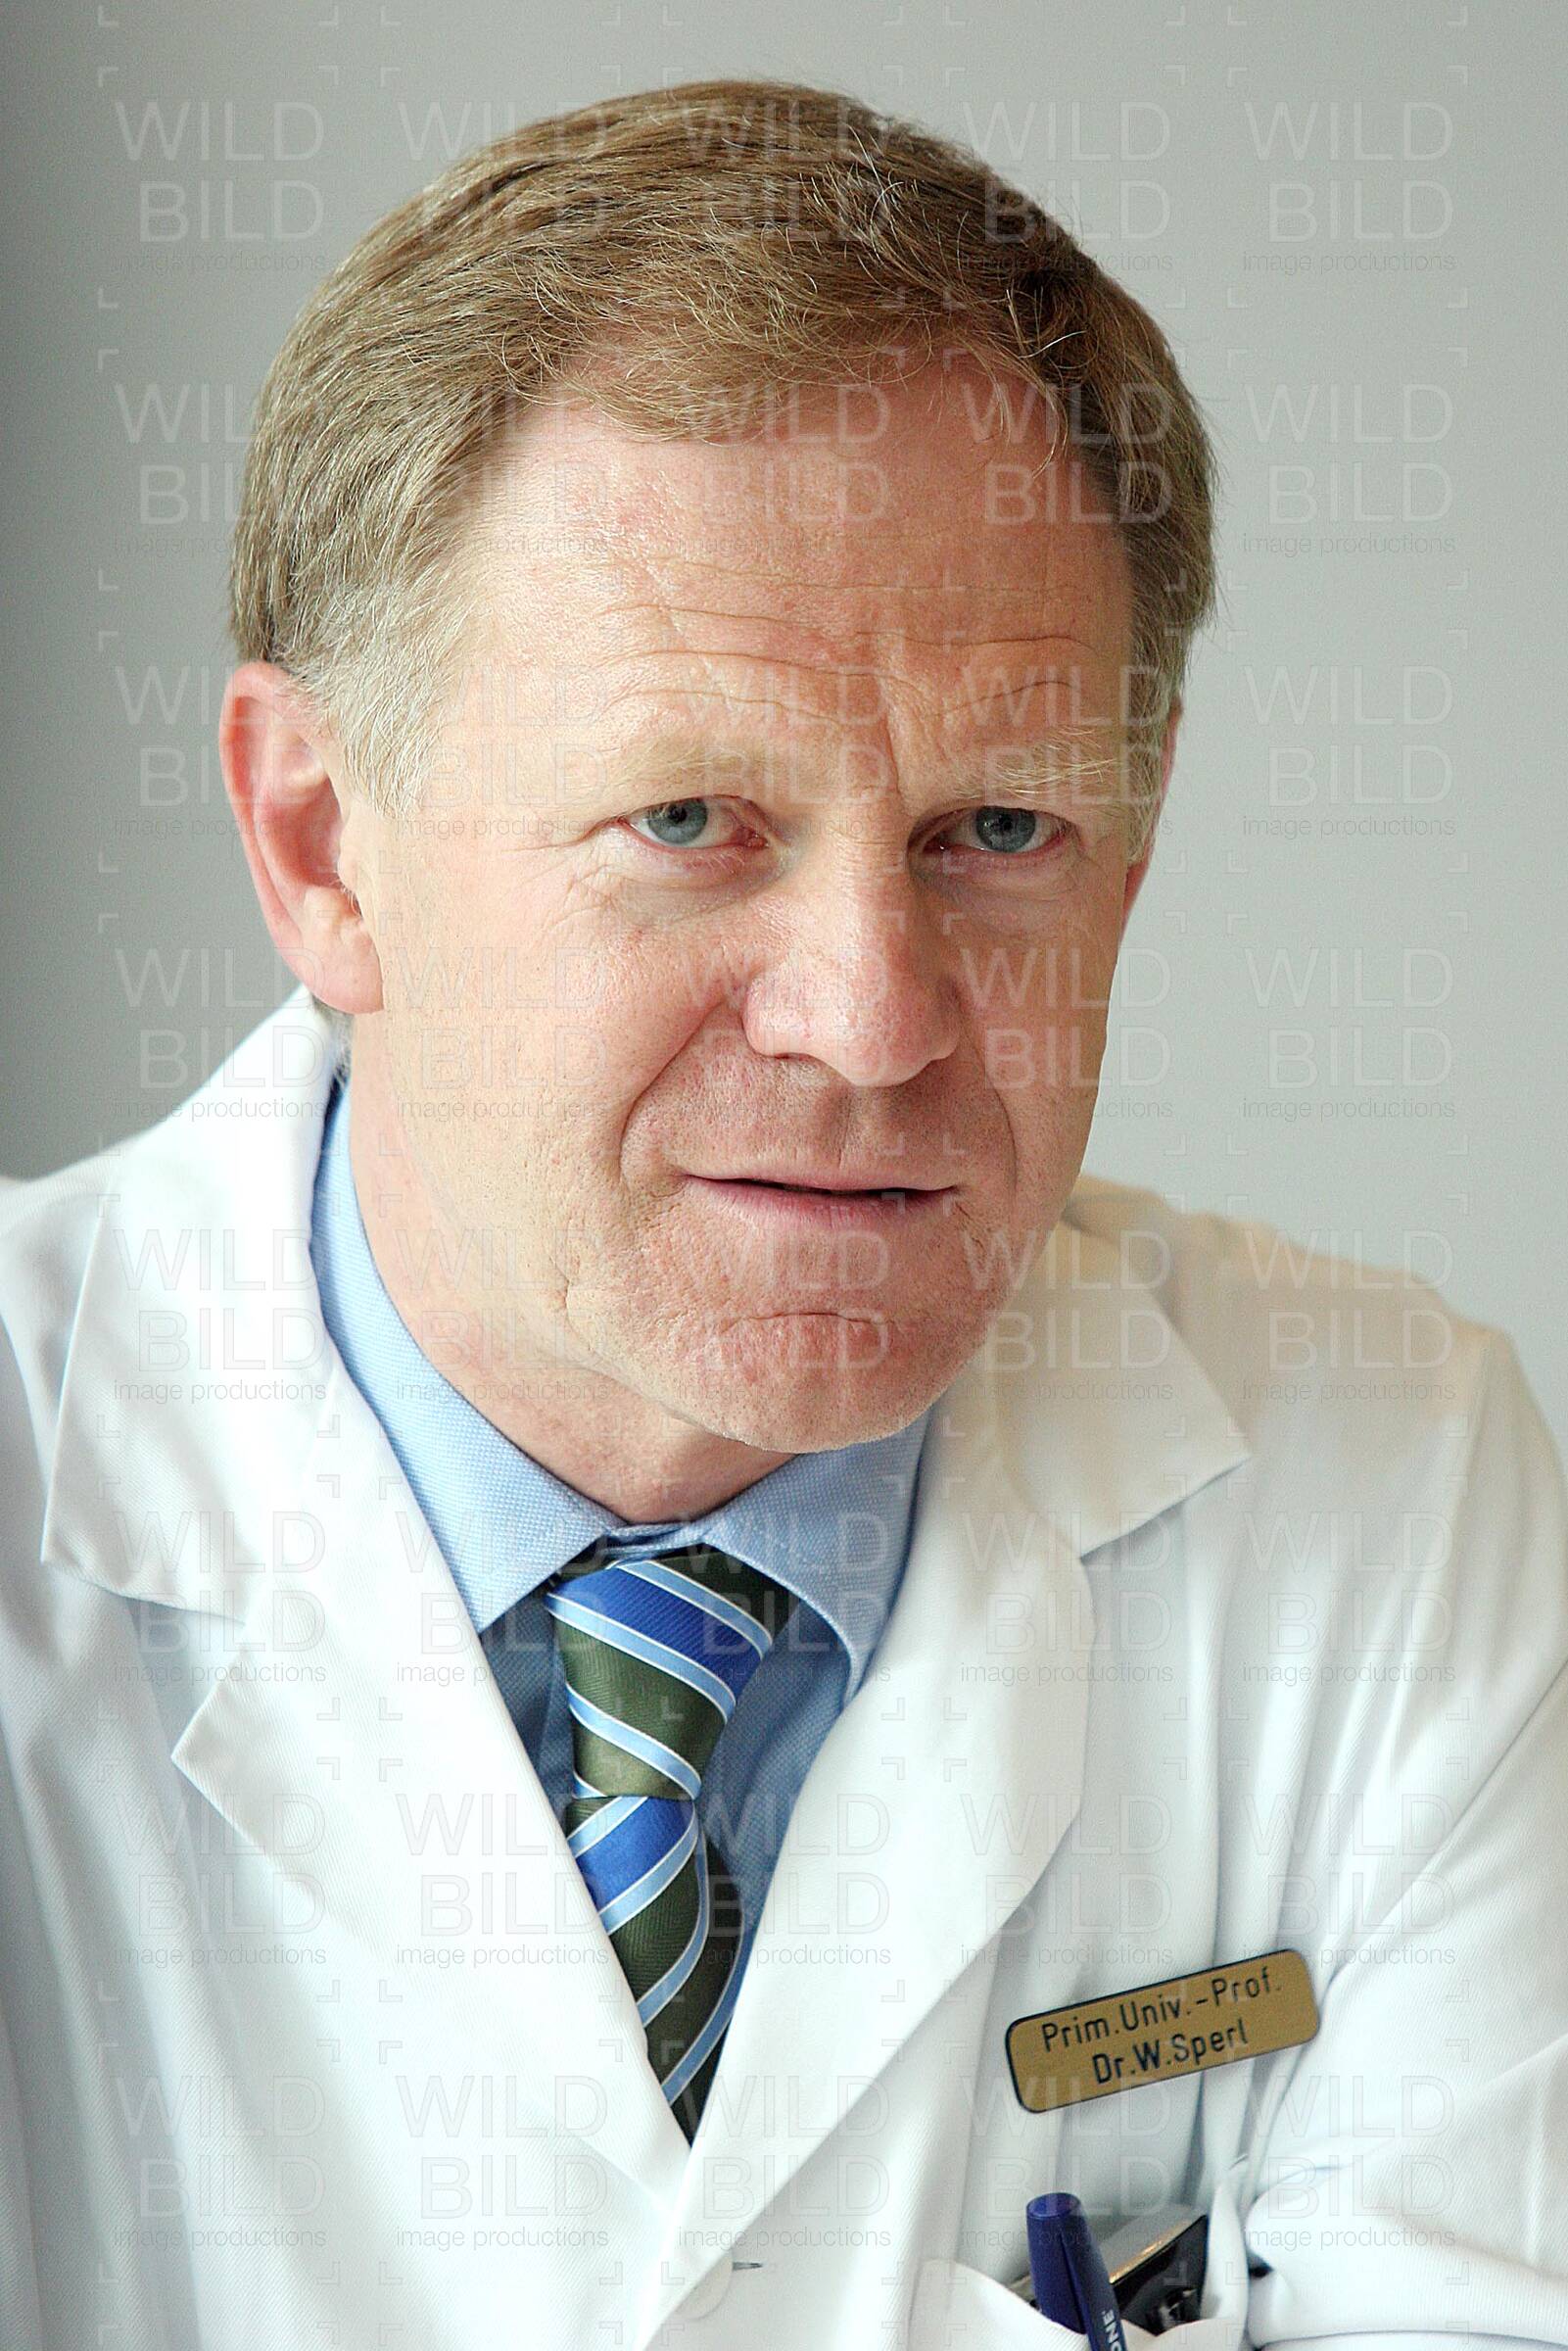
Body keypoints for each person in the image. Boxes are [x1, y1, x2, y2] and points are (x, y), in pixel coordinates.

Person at [1, 75, 1564, 2351]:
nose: (871, 1019)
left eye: (999, 831)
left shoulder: (1390, 1495)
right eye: (689, 819)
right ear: (322, 845)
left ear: (1132, 856)